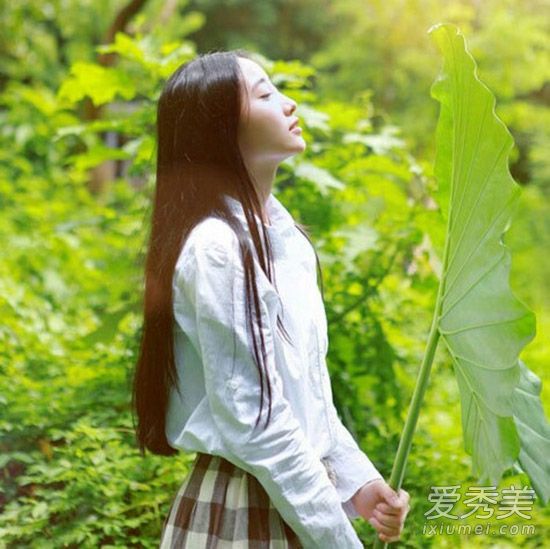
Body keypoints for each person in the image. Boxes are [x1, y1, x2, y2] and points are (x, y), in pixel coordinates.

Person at [131, 49, 410, 548]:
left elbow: (307, 396)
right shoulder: (217, 248)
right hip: (242, 508)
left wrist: (360, 484)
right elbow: (256, 424)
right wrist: (339, 538)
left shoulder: (286, 241)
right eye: (264, 94)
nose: (287, 104)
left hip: (295, 496)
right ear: (220, 129)